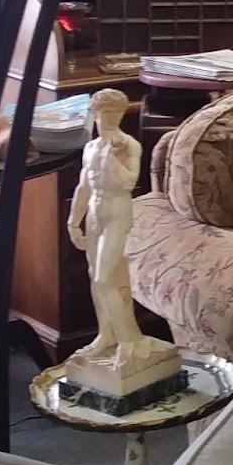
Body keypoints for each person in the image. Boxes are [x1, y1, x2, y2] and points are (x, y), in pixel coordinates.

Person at [68, 89, 148, 362]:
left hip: (116, 212)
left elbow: (129, 182)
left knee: (105, 278)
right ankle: (107, 333)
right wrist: (73, 221)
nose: (113, 119)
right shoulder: (90, 147)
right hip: (95, 213)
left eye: (117, 113)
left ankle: (129, 338)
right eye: (107, 114)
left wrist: (112, 159)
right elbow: (84, 186)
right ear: (95, 114)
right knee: (95, 276)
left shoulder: (129, 146)